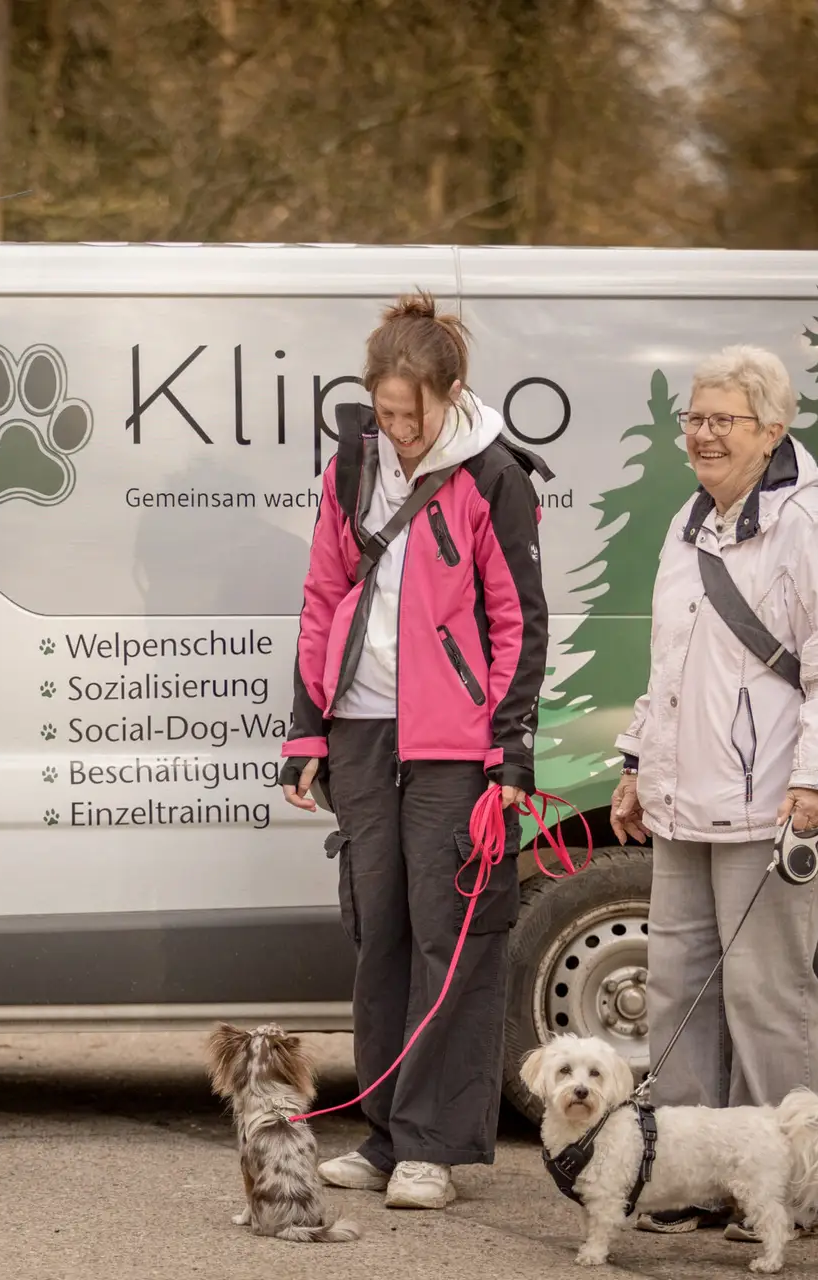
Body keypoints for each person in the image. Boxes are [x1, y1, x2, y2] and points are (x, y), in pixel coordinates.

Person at [280, 293, 549, 1210]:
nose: (397, 432)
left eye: (412, 416)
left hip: (455, 745)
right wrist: (307, 724)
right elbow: (322, 593)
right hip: (360, 731)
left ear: (451, 393)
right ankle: (387, 1133)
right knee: (379, 934)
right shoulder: (352, 464)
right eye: (385, 413)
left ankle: (437, 1143)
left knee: (454, 935)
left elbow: (519, 617)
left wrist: (510, 750)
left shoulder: (494, 476)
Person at [609, 344, 818, 1239]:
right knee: (680, 986)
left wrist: (816, 781)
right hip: (687, 801)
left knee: (765, 996)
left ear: (773, 428)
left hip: (776, 804)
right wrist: (637, 762)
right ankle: (685, 1178)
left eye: (724, 419)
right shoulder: (689, 522)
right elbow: (672, 665)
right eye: (694, 417)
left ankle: (792, 1191)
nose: (704, 434)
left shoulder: (810, 523)